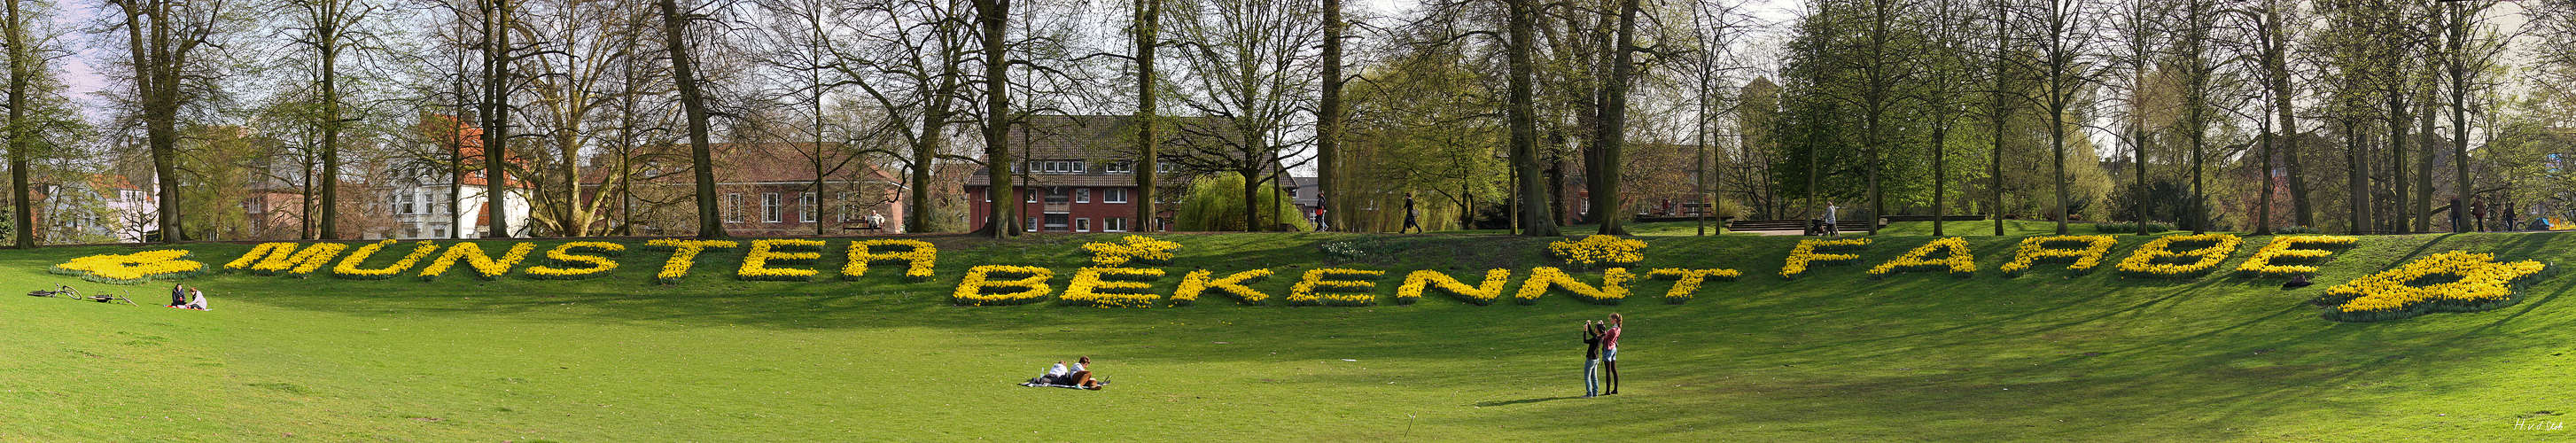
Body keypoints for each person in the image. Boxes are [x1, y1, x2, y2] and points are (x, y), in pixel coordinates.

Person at [1583, 320, 1606, 398]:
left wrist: (1585, 331)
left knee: (1587, 377)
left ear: (1598, 330)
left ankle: (1589, 394)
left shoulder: (1595, 339)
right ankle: (1595, 393)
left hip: (1590, 359)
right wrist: (1589, 325)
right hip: (1596, 359)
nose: (1594, 328)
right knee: (1594, 376)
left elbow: (1585, 341)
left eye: (1596, 328)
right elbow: (1592, 333)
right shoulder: (1601, 336)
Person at [1601, 314, 1623, 395]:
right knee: (1614, 370)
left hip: (1608, 349)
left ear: (1615, 320)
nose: (1610, 320)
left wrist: (1602, 329)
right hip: (1614, 348)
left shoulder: (1612, 330)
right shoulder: (1618, 328)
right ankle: (1615, 389)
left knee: (1608, 371)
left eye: (1611, 319)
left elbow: (1604, 338)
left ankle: (1607, 391)